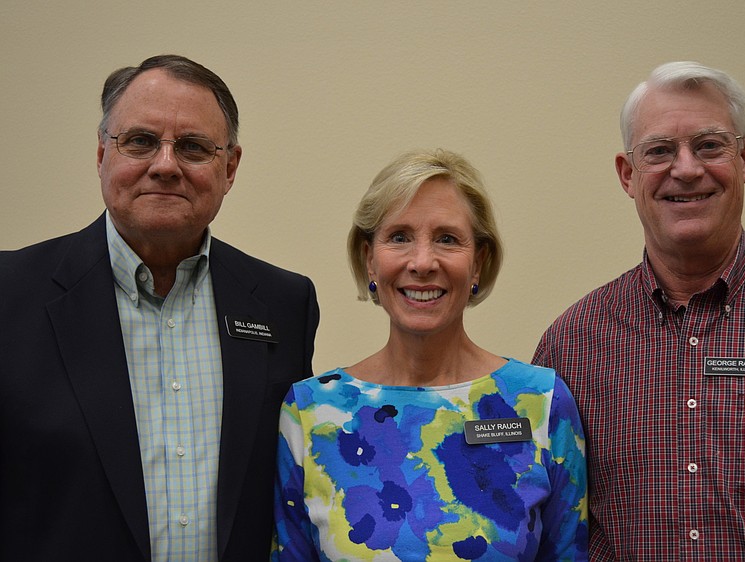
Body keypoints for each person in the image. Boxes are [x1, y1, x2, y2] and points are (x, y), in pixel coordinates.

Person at [0, 55, 319, 562]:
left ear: (230, 167)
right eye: (140, 141)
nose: (165, 165)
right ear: (102, 153)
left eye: (193, 147)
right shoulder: (11, 295)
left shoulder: (284, 303)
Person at [533, 60, 745, 559]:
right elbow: (562, 521)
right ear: (628, 174)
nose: (685, 168)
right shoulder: (572, 344)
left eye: (709, 145)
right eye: (659, 151)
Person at [271, 149, 588, 560]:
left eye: (447, 239)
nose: (422, 262)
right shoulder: (309, 411)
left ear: (479, 262)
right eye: (400, 237)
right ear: (369, 259)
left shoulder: (542, 402)